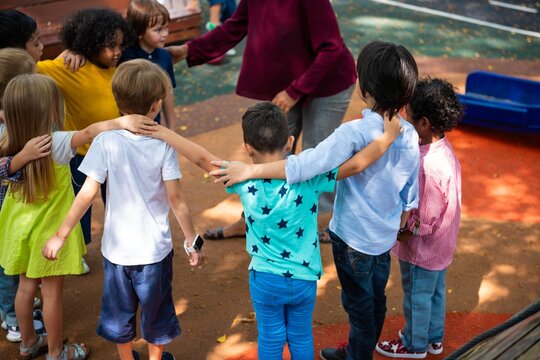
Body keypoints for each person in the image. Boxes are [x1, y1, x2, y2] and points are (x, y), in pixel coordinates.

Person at [209, 41, 421, 360]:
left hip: (352, 239)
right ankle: (359, 348)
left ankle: (357, 354)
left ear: (364, 88)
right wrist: (405, 213)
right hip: (384, 236)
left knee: (358, 305)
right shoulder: (410, 134)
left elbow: (305, 165)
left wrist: (252, 170)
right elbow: (410, 184)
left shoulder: (353, 133)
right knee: (376, 299)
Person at [149, 100, 400, 359]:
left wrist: (163, 132)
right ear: (289, 142)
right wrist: (389, 137)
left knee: (270, 338)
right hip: (303, 278)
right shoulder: (309, 176)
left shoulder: (243, 178)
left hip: (265, 279)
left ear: (248, 149)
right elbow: (355, 165)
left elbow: (201, 158)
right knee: (301, 337)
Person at [43, 59, 204, 360]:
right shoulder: (163, 145)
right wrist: (191, 240)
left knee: (119, 313)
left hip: (116, 251)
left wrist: (60, 235)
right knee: (156, 311)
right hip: (154, 252)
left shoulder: (105, 141)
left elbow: (86, 194)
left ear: (117, 101)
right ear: (157, 105)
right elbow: (176, 199)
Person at [167, 0, 357, 241]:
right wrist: (189, 50)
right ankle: (252, 219)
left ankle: (321, 223)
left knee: (317, 154)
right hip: (287, 84)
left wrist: (294, 91)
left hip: (328, 83)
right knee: (270, 152)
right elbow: (234, 27)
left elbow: (331, 48)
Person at [0, 73, 155, 360]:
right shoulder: (55, 142)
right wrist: (122, 121)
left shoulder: (7, 139)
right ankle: (57, 352)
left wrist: (20, 158)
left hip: (19, 228)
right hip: (47, 230)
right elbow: (89, 132)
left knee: (24, 288)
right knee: (51, 294)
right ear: (49, 110)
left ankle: (28, 342)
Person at [36, 8, 132, 272]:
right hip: (81, 154)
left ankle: (122, 243)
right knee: (79, 204)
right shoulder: (68, 68)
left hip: (115, 152)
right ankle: (77, 249)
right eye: (109, 46)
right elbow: (26, 66)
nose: (116, 52)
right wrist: (67, 52)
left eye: (120, 45)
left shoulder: (119, 69)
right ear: (89, 43)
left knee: (118, 199)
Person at [375, 78, 463, 359]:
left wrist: (397, 233)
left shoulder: (426, 166)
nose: (403, 119)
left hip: (421, 250)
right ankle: (433, 338)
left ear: (424, 124)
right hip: (441, 246)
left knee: (417, 296)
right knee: (435, 293)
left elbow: (422, 220)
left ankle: (414, 344)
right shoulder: (444, 151)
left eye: (408, 116)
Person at [0, 48, 50, 344]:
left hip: (13, 207)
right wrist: (22, 157)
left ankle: (19, 305)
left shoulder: (13, 118)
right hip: (3, 210)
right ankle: (12, 319)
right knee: (8, 268)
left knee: (13, 267)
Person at [122, 0, 177, 129]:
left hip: (152, 126)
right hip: (126, 128)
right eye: (158, 30)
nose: (165, 34)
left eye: (166, 27)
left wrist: (172, 128)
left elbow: (167, 93)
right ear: (139, 31)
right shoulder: (125, 57)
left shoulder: (164, 56)